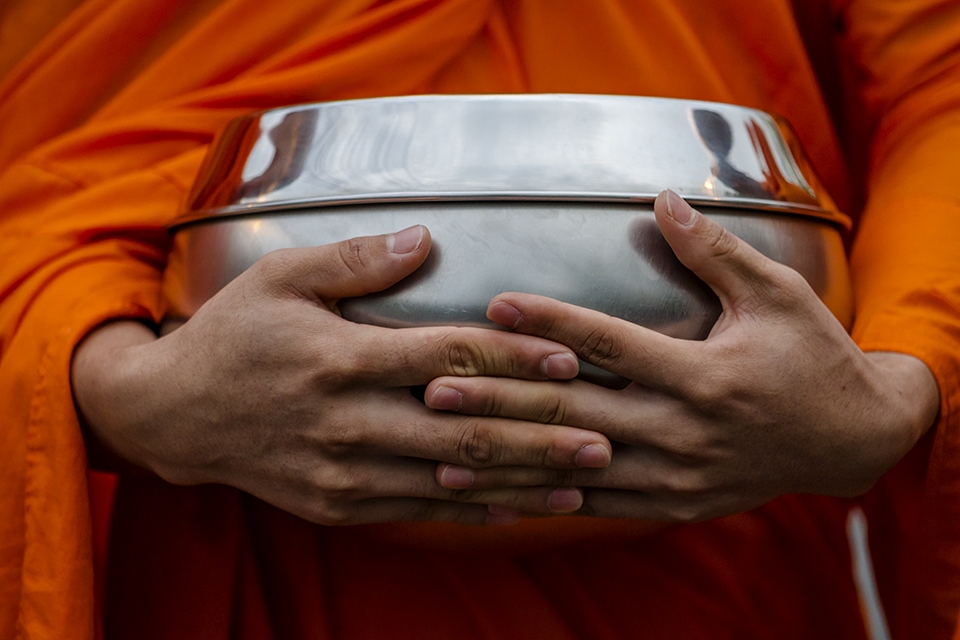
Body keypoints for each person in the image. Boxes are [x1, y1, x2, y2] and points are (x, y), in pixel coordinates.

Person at [1, 0, 958, 638]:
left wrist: (902, 374)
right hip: (209, 539)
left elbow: (942, 81)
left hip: (719, 554)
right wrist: (114, 385)